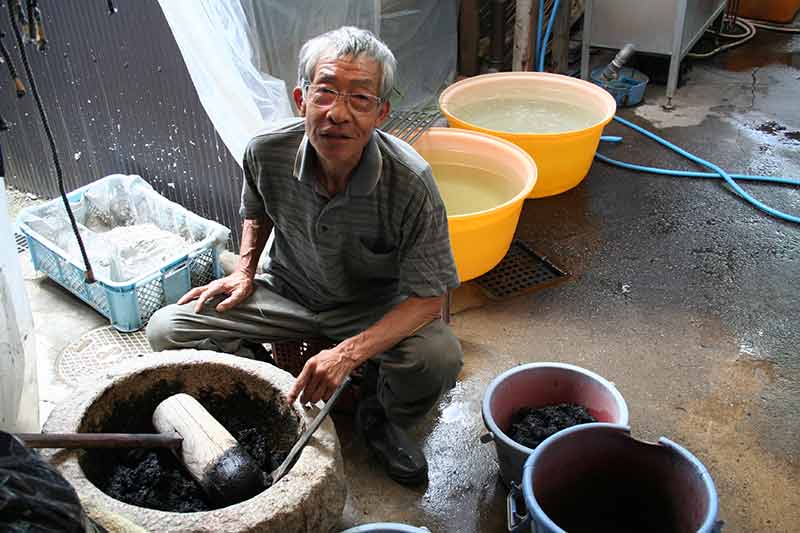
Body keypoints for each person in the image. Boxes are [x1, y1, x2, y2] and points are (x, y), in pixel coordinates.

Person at [146, 26, 462, 486]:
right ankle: (259, 382)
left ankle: (379, 416)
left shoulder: (411, 183)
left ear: (381, 112)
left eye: (359, 99)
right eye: (326, 92)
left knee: (438, 356)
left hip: (368, 308)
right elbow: (256, 209)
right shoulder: (265, 150)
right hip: (288, 290)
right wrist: (247, 269)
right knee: (167, 328)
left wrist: (347, 355)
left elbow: (429, 300)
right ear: (301, 98)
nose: (338, 113)